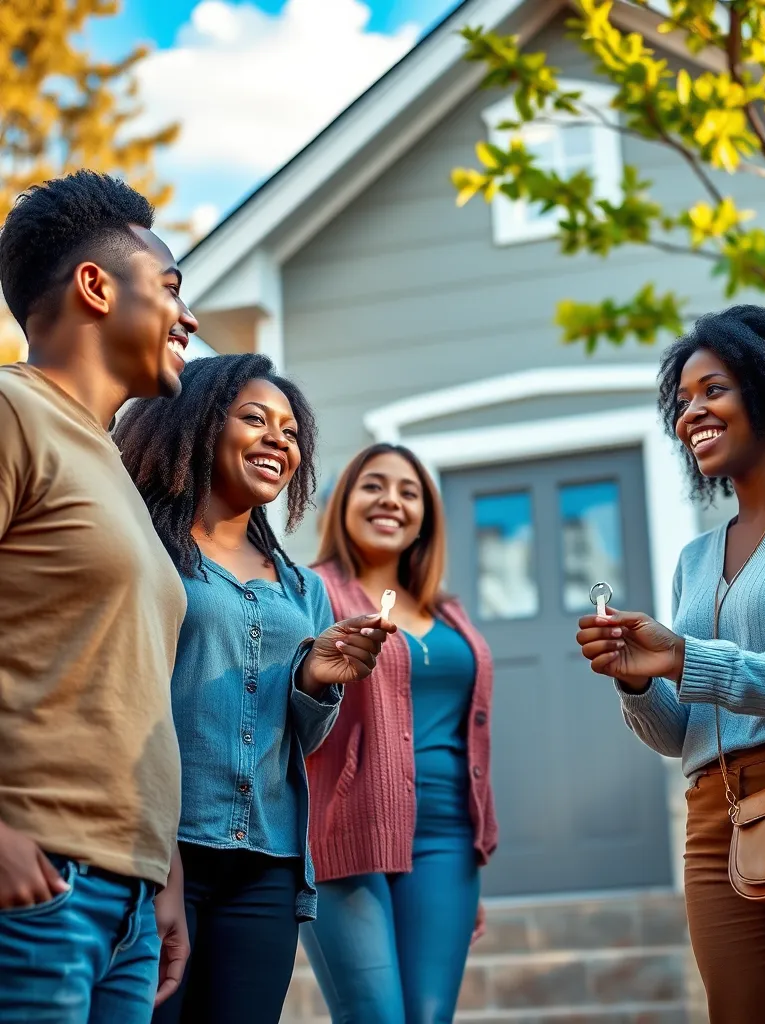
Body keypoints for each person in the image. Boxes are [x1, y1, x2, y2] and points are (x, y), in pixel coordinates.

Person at [576, 305, 765, 1024]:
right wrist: (639, 678)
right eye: (682, 402)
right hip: (711, 819)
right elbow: (689, 733)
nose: (692, 413)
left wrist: (686, 654)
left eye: (715, 390)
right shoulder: (697, 556)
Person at [114, 354, 395, 1024]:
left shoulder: (303, 588)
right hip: (159, 846)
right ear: (198, 425)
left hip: (267, 863)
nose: (280, 439)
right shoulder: (143, 549)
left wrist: (314, 680)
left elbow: (305, 733)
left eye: (292, 431)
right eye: (255, 419)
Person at [0, 171, 195, 1019]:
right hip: (36, 886)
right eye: (171, 289)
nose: (187, 318)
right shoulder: (13, 412)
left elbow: (126, 682)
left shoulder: (109, 466)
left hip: (127, 901)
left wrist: (163, 874)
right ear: (95, 286)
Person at [301, 443, 498, 1023]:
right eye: (373, 485)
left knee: (428, 1018)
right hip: (345, 832)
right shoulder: (311, 591)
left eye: (409, 492)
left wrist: (467, 880)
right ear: (340, 504)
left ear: (425, 519)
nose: (391, 500)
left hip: (448, 843)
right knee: (375, 1017)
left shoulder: (451, 611)